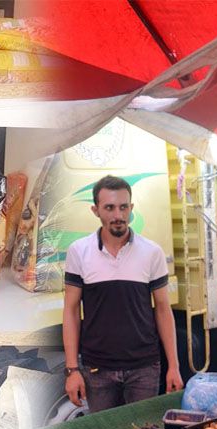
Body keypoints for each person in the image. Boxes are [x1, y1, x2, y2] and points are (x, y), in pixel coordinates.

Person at [63, 175, 183, 413]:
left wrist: (174, 366)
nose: (118, 215)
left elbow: (162, 309)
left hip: (144, 368)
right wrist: (72, 370)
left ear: (131, 208)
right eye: (109, 207)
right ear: (95, 210)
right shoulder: (79, 251)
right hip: (98, 370)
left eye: (123, 207)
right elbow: (71, 310)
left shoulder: (152, 252)